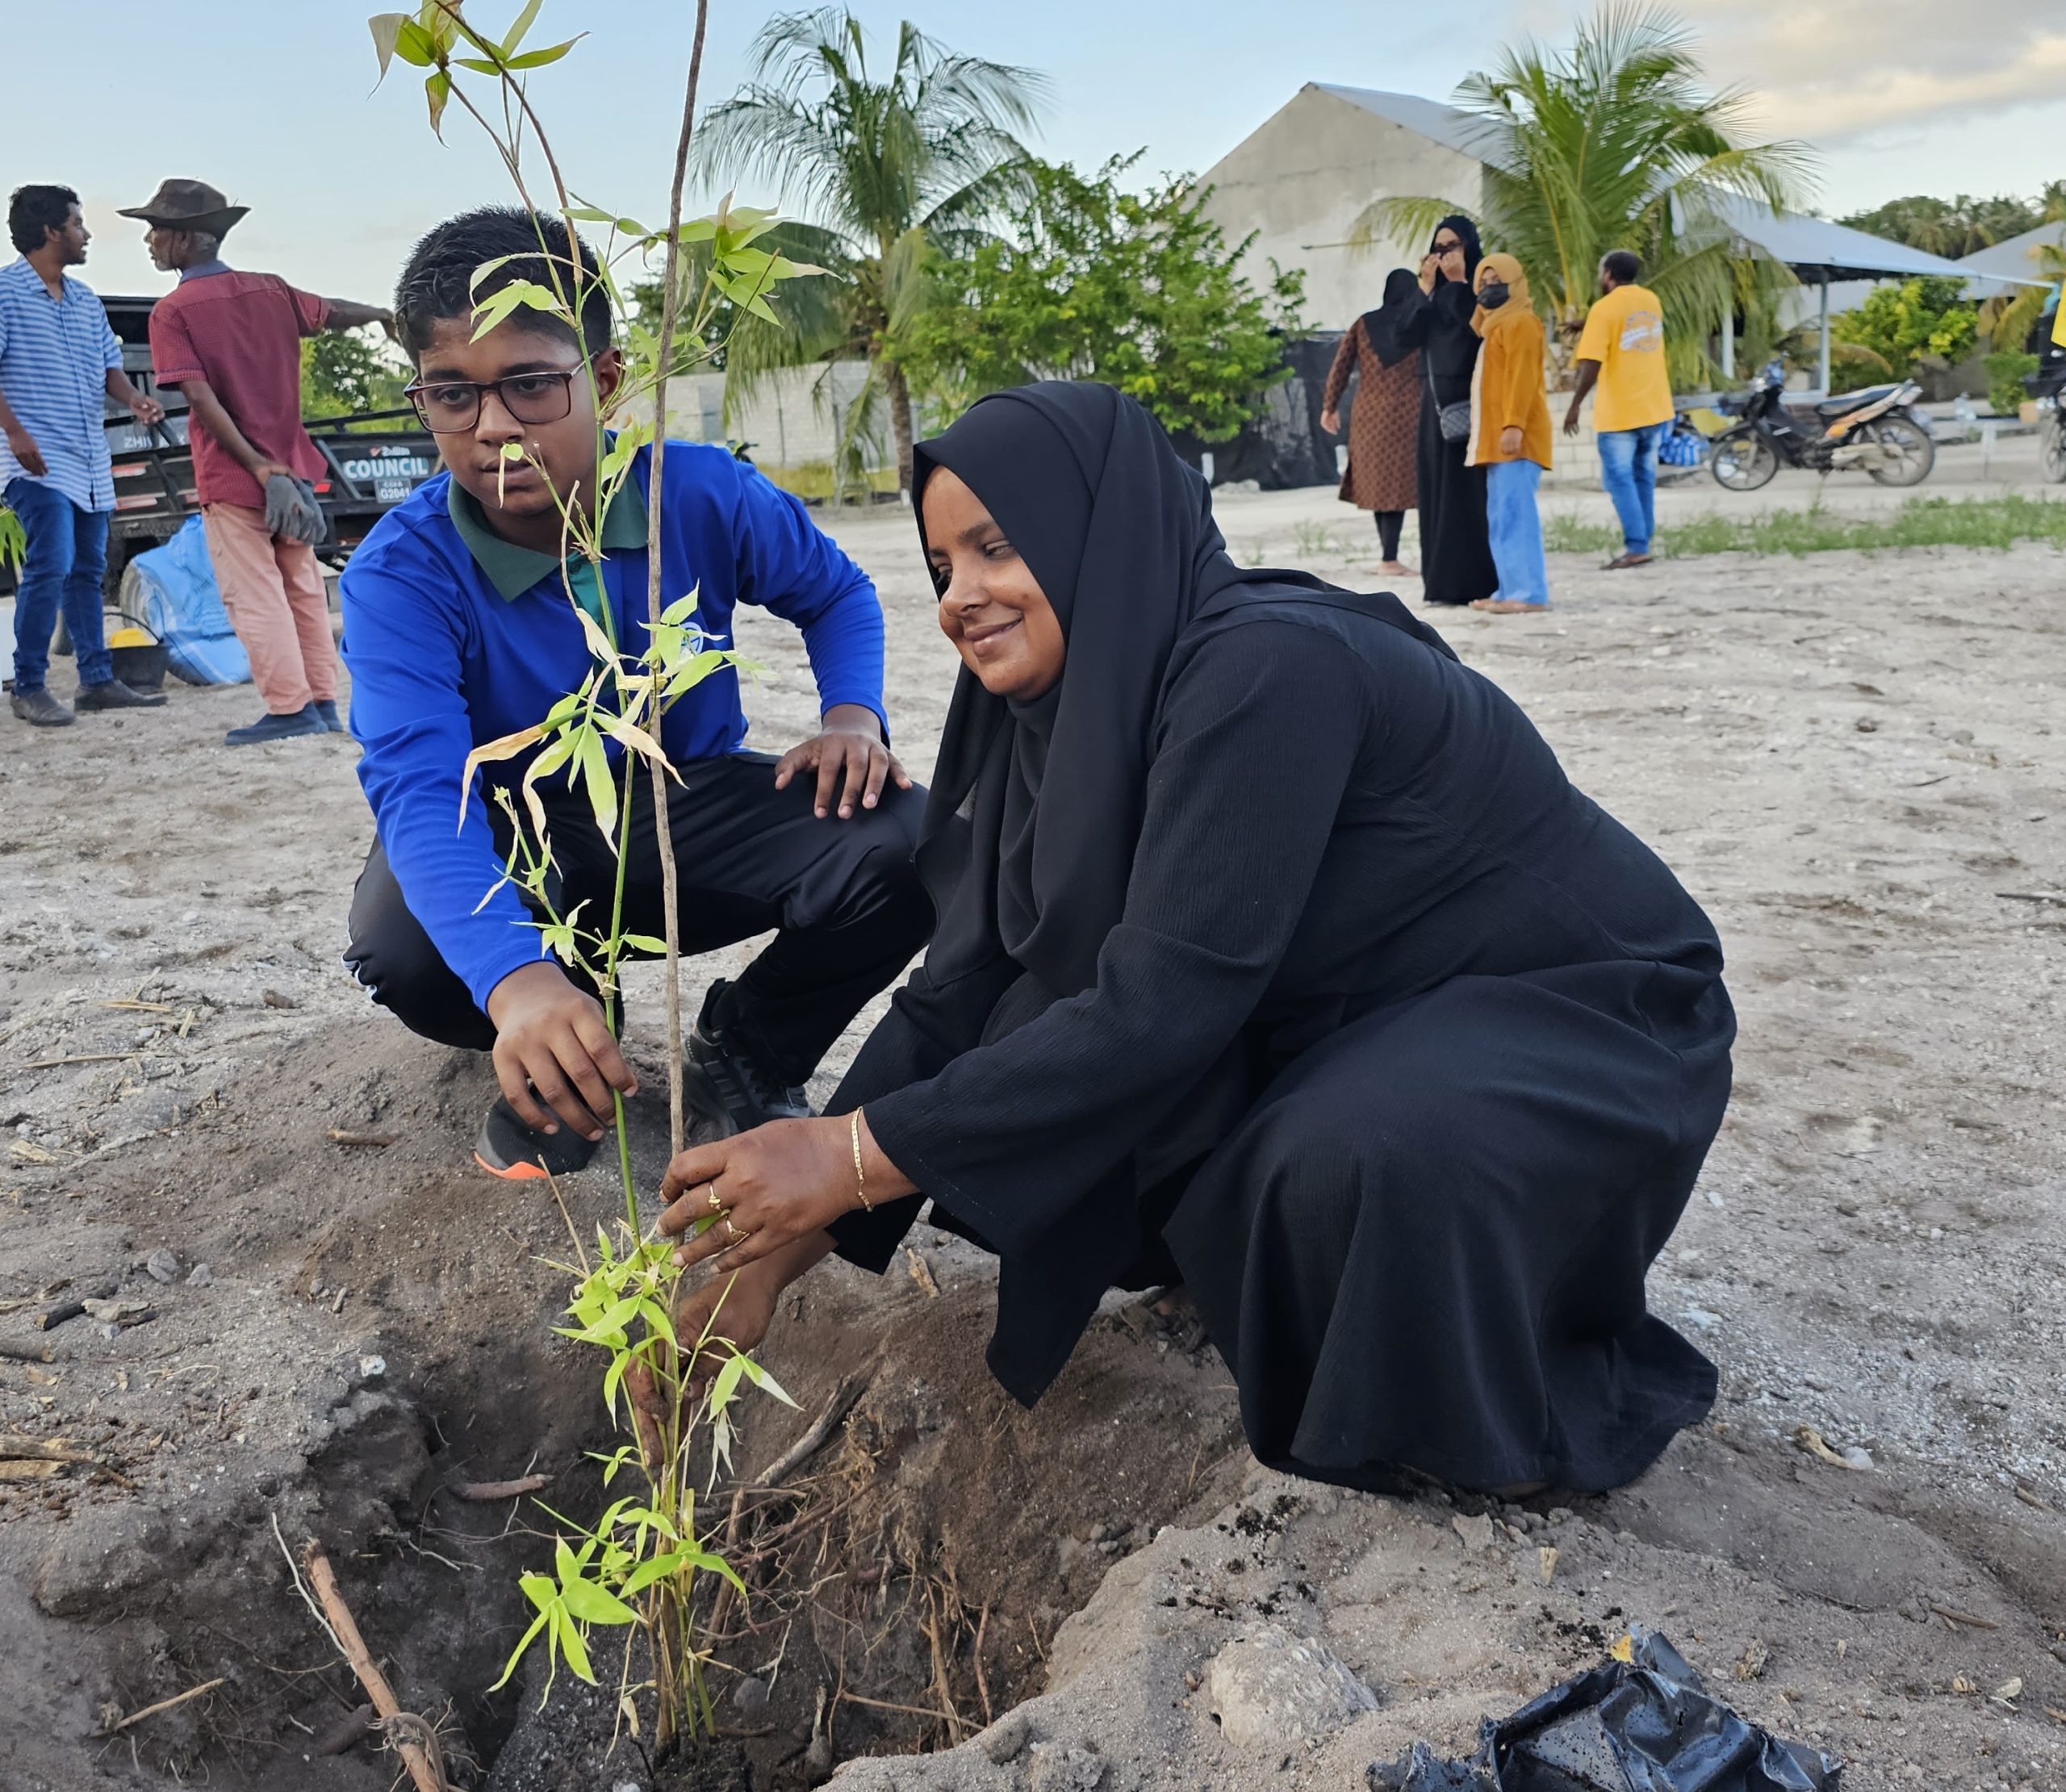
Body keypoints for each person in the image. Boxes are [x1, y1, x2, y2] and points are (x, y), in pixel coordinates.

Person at [650, 382, 1737, 1498]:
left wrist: (845, 1155)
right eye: (941, 569)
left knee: (1346, 1157)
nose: (959, 600)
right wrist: (770, 1261)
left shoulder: (1265, 668)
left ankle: (1477, 1428)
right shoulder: (1057, 708)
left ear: (1095, 534)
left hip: (1590, 1010)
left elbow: (1160, 1005)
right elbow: (957, 990)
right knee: (1022, 1040)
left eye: (996, 548)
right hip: (1374, 1002)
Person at [339, 207, 931, 1181]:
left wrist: (850, 717)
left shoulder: (696, 496)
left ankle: (748, 1050)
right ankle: (570, 1023)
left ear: (604, 381)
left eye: (530, 385)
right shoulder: (402, 573)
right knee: (403, 947)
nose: (493, 428)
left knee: (913, 836)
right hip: (511, 827)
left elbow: (837, 595)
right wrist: (520, 980)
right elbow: (420, 792)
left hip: (677, 799)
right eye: (452, 395)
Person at [125, 178, 394, 744]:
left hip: (235, 474)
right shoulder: (270, 289)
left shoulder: (173, 312)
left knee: (254, 593)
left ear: (189, 240)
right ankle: (321, 699)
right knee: (300, 583)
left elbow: (200, 397)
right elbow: (334, 312)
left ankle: (288, 706)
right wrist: (381, 314)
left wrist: (254, 465)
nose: (149, 240)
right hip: (291, 469)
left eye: (158, 230)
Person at [1, 185, 168, 726]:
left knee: (88, 569)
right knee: (49, 564)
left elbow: (107, 370)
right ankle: (28, 685)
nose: (86, 234)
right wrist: (16, 433)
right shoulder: (4, 294)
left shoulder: (85, 300)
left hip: (89, 462)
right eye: (78, 224)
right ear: (51, 231)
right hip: (34, 460)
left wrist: (134, 398)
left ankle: (96, 681)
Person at [1384, 216, 1499, 608]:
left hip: (1474, 403)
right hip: (1434, 408)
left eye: (1453, 246)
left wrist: (1462, 283)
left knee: (1470, 496)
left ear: (1468, 247)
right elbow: (1401, 338)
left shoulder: (1483, 285)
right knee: (1437, 494)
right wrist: (1426, 289)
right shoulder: (1432, 293)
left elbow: (1476, 327)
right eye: (1439, 248)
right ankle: (1443, 584)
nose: (1444, 254)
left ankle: (1479, 581)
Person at [1562, 250, 1673, 570]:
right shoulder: (1650, 300)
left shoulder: (1604, 309)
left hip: (1620, 413)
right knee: (1643, 477)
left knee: (1619, 480)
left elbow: (1591, 363)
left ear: (1608, 274)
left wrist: (1575, 405)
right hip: (1654, 407)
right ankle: (1644, 540)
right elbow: (1628, 327)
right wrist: (1587, 324)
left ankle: (1637, 547)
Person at [1466, 253, 1554, 616]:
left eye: (1496, 281)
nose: (1488, 289)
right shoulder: (1496, 326)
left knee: (1517, 517)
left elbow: (1522, 379)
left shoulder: (1521, 322)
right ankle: (1508, 590)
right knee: (1501, 518)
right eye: (1482, 283)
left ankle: (1530, 593)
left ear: (1515, 283)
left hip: (1516, 438)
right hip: (1497, 442)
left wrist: (1513, 425)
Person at [1319, 269, 1420, 577]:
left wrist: (1329, 407)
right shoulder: (1418, 325)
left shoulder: (1364, 324)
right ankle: (1391, 558)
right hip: (1410, 415)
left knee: (1379, 485)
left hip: (1370, 415)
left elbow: (1341, 367)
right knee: (1400, 487)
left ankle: (1387, 558)